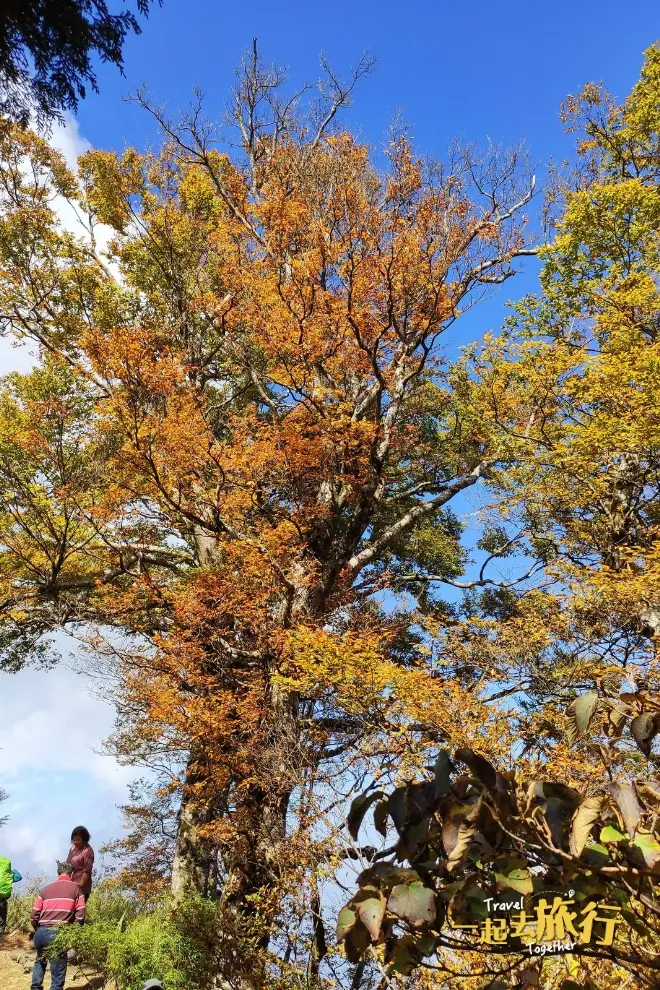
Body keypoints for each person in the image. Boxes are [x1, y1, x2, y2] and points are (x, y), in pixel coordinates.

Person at [30, 860, 85, 990]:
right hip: (57, 933)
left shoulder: (45, 890)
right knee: (58, 971)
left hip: (41, 933)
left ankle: (35, 987)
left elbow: (33, 915)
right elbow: (80, 915)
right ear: (71, 875)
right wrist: (77, 933)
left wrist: (38, 929)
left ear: (57, 873)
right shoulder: (76, 889)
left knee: (40, 961)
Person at [66, 825, 94, 899]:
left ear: (84, 839)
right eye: (73, 840)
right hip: (70, 885)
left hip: (81, 888)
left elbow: (87, 872)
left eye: (78, 840)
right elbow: (67, 863)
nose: (75, 842)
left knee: (78, 909)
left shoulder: (88, 852)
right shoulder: (73, 848)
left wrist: (79, 886)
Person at [0, 854, 22, 934]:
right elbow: (19, 877)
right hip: (2, 901)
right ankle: (1, 936)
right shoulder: (7, 876)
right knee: (2, 920)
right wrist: (12, 871)